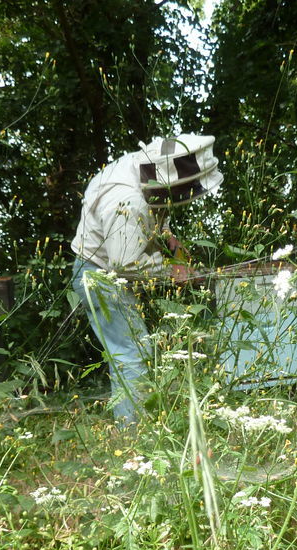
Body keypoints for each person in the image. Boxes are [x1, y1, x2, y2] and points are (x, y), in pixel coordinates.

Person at [71, 134, 223, 424]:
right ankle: (132, 437)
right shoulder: (126, 200)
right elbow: (126, 265)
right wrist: (174, 273)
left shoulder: (140, 169)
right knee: (130, 353)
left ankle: (138, 425)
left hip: (104, 269)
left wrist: (168, 240)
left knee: (134, 349)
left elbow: (153, 211)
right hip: (99, 275)